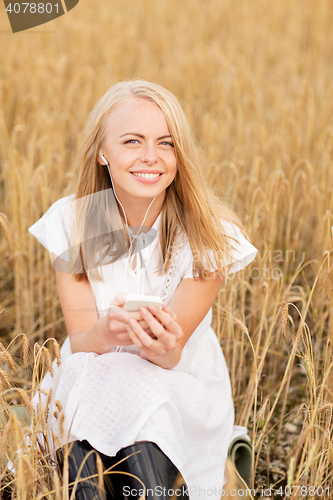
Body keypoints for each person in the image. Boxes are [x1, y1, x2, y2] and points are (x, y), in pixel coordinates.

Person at [28, 79, 258, 500]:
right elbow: (81, 342)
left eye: (166, 143)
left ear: (179, 153)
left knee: (141, 396)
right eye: (132, 141)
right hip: (92, 370)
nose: (150, 157)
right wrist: (106, 333)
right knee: (92, 401)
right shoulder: (75, 222)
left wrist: (162, 345)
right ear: (102, 152)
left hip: (176, 382)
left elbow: (171, 354)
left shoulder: (208, 234)